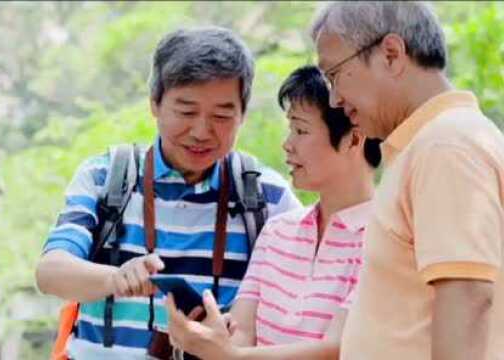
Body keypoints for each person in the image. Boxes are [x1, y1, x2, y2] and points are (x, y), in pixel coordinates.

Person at [35, 26, 301, 359]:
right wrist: (116, 278)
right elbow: (50, 272)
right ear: (155, 104)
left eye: (221, 115)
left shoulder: (267, 196)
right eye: (186, 112)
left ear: (243, 115)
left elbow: (308, 295)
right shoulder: (106, 177)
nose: (202, 131)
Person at [310, 2, 504, 359]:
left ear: (391, 54)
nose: (335, 99)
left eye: (334, 75)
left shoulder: (447, 144)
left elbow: (468, 295)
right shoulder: (429, 145)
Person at [166, 65, 381, 359]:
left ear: (354, 139)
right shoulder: (278, 231)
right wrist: (213, 339)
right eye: (290, 129)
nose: (288, 145)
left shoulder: (387, 237)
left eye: (301, 130)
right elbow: (243, 332)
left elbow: (338, 349)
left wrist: (230, 356)